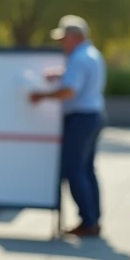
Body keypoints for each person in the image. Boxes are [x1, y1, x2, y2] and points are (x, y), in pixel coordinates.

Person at [30, 15, 107, 237]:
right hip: (93, 116)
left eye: (64, 38)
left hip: (80, 118)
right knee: (86, 169)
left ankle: (88, 221)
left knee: (74, 169)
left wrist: (42, 96)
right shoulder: (92, 55)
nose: (62, 43)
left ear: (76, 37)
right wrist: (60, 75)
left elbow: (70, 91)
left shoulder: (79, 59)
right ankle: (93, 219)